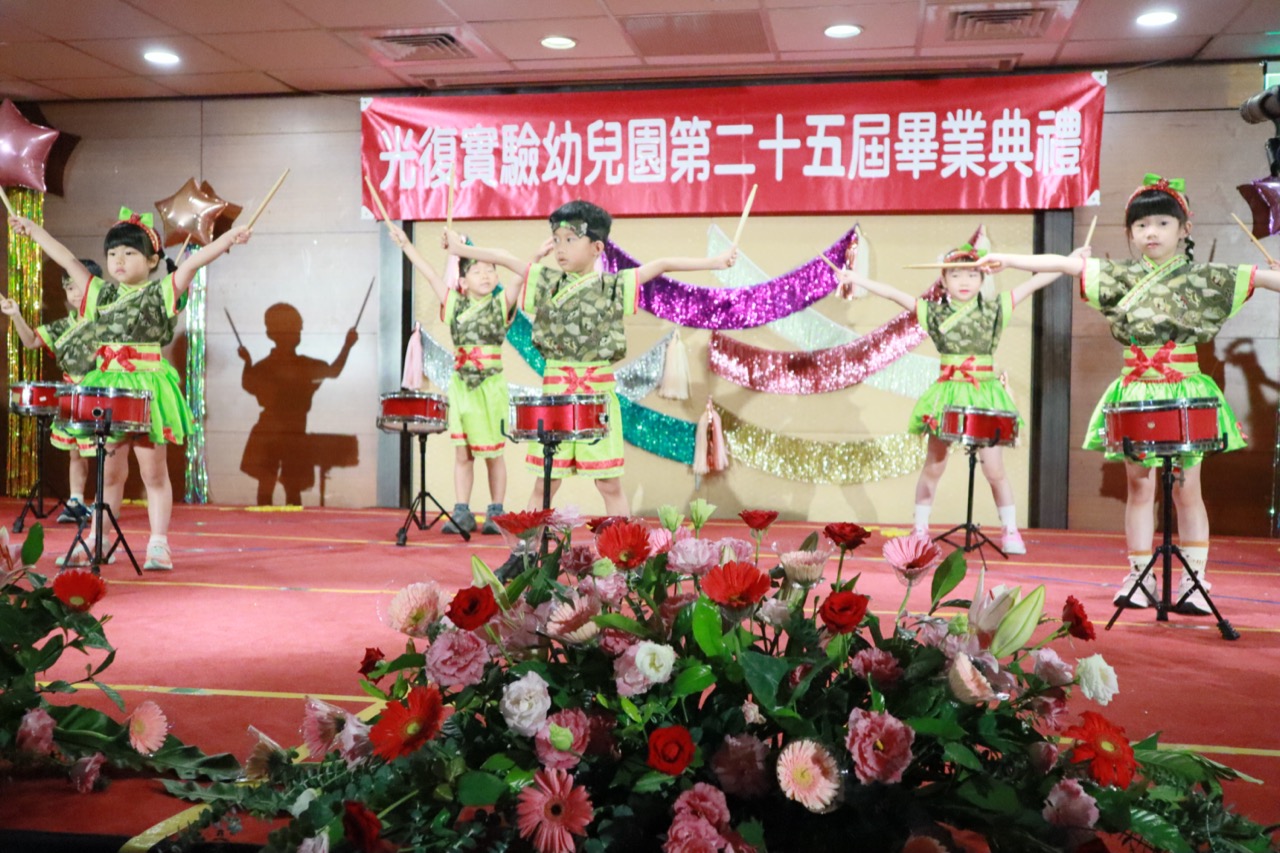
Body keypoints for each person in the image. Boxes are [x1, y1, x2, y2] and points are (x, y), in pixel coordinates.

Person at [983, 174, 1280, 613]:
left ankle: (1195, 580)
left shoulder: (1205, 277)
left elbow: (1266, 278)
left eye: (1162, 223)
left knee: (1187, 489)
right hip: (1137, 388)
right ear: (1131, 233)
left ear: (1185, 229)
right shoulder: (1118, 275)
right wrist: (1005, 258)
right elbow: (1064, 264)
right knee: (1139, 486)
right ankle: (1140, 577)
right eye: (1141, 225)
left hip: (1183, 388)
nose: (1151, 232)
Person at [445, 200, 736, 515]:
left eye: (570, 240)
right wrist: (461, 250)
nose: (560, 248)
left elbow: (662, 263)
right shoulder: (547, 281)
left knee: (609, 484)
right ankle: (529, 544)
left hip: (596, 396)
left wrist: (715, 261)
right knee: (545, 483)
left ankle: (623, 544)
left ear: (597, 247)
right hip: (556, 395)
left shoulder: (613, 286)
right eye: (557, 240)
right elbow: (504, 258)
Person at [10, 208, 251, 571]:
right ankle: (100, 540)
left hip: (148, 388)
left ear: (152, 260)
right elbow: (66, 257)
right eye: (112, 253)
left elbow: (194, 262)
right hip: (109, 388)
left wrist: (230, 238)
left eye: (129, 252)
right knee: (109, 473)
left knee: (153, 472)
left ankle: (158, 544)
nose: (118, 260)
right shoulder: (100, 293)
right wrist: (32, 230)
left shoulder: (161, 291)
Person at [838, 243, 1076, 555]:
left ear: (983, 278)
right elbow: (893, 294)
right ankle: (920, 529)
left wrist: (1070, 262)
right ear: (943, 280)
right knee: (934, 465)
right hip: (948, 393)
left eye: (972, 275)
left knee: (994, 469)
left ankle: (1010, 529)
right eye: (956, 275)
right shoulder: (933, 312)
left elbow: (1035, 282)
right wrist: (856, 278)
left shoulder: (996, 309)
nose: (964, 281)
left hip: (985, 393)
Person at [385, 224, 526, 535]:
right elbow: (429, 273)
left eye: (490, 270)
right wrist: (406, 244)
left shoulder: (501, 303)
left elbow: (522, 272)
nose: (486, 275)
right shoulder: (454, 304)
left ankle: (496, 511)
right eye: (477, 271)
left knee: (494, 454)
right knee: (463, 453)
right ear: (462, 281)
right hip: (461, 387)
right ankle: (462, 511)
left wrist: (473, 251)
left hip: (491, 388)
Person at [1, 259, 103, 524]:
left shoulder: (107, 322)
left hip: (100, 394)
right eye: (69, 288)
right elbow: (31, 341)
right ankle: (76, 500)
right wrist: (15, 315)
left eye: (80, 285)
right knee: (75, 451)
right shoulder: (63, 326)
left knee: (105, 453)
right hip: (71, 396)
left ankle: (104, 503)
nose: (76, 293)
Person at [238, 304, 358, 506]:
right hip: (287, 432)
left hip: (276, 432)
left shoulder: (265, 366)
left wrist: (247, 363)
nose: (299, 331)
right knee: (287, 486)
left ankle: (264, 522)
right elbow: (333, 371)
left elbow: (249, 384)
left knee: (274, 484)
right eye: (295, 328)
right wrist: (347, 346)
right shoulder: (306, 366)